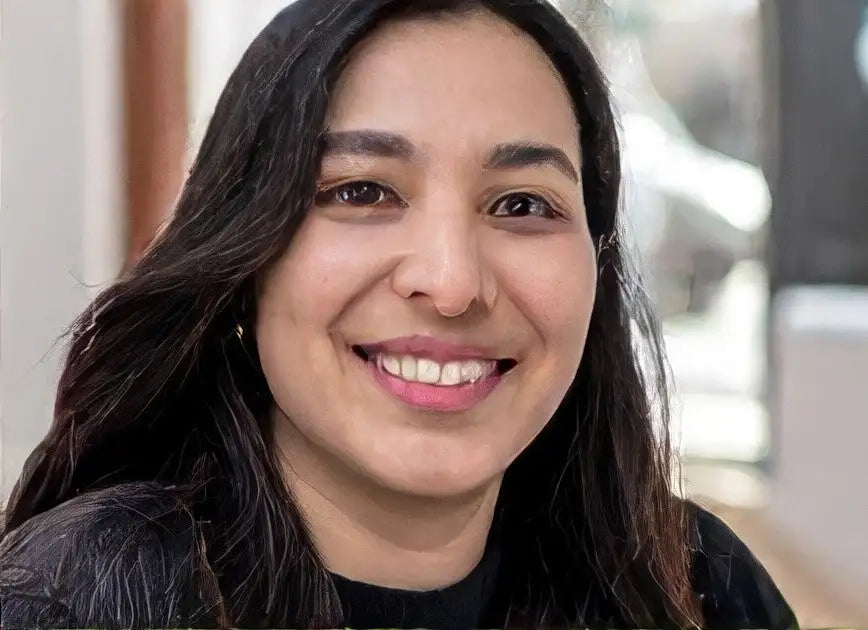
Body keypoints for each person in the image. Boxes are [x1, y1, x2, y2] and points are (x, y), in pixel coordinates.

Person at [0, 1, 797, 628]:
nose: (451, 284)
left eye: (521, 204)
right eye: (362, 191)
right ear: (245, 258)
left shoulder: (701, 590)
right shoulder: (73, 601)